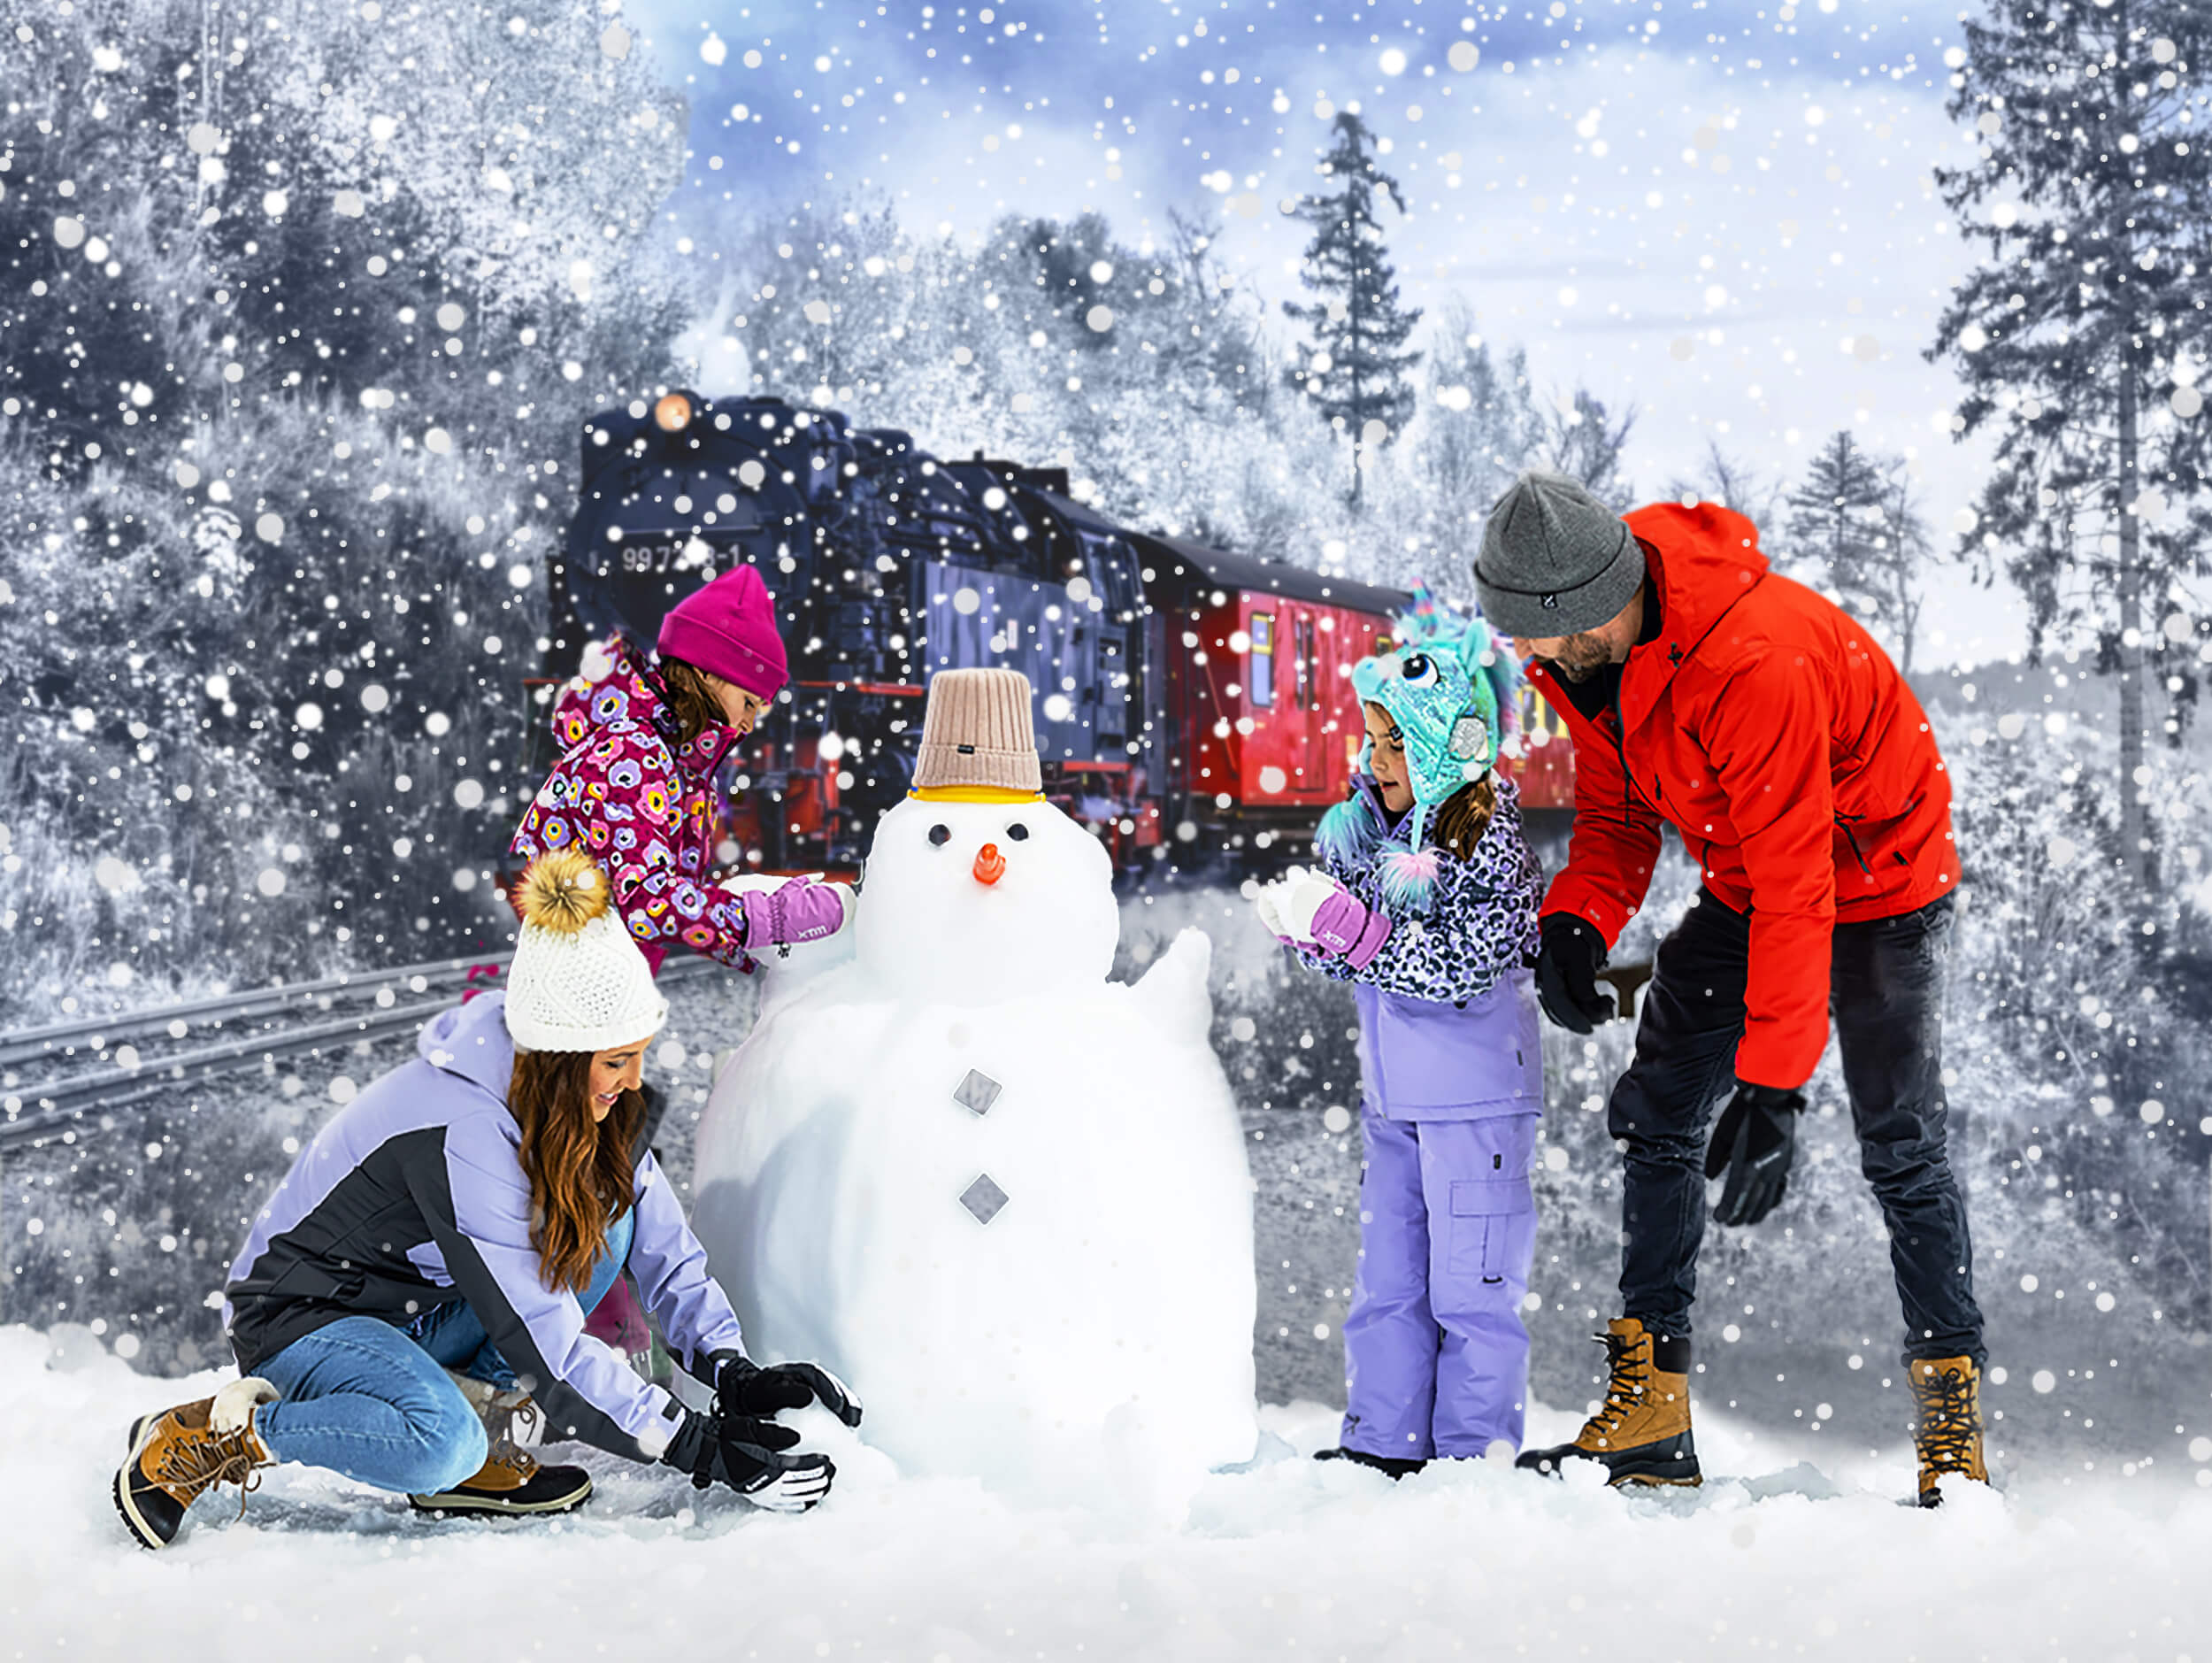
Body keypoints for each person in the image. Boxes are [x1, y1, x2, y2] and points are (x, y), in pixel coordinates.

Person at [1473, 469, 1986, 1505]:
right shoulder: (1586, 657)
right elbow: (1620, 814)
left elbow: (1805, 886)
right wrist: (1576, 918)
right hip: (1756, 873)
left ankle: (1952, 1440)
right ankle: (1650, 1414)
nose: (1549, 660)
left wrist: (1775, 1084)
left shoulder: (1754, 659)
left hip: (1876, 877)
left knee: (1900, 1142)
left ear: (1610, 594)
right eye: (1533, 641)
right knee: (1657, 1105)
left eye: (1564, 636)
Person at [113, 849, 861, 1551]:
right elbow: (549, 1349)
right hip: (309, 1317)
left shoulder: (584, 1105)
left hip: (418, 1312)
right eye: (615, 1060)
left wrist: (730, 1367)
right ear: (561, 1059)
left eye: (639, 1054)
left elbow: (664, 1248)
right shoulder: (465, 1126)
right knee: (439, 1440)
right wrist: (699, 1448)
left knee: (611, 1220)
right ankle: (217, 1434)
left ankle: (475, 1455)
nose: (632, 1080)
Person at [511, 563, 851, 1358]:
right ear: (708, 670)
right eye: (751, 692)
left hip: (598, 992)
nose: (760, 713)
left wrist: (743, 943)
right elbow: (650, 898)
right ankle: (576, 1351)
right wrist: (766, 920)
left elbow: (657, 891)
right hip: (575, 1002)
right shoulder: (634, 755)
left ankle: (595, 1342)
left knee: (600, 1165)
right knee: (587, 1173)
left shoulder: (670, 748)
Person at [1253, 596, 1544, 1476]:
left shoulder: (1488, 841)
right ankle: (1381, 1442)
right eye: (1371, 743)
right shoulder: (1383, 840)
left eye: (1395, 743)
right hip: (1396, 1105)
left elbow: (1454, 964)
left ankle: (1467, 1456)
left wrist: (1353, 931)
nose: (1377, 762)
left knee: (1472, 1292)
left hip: (1474, 1108)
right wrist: (1311, 930)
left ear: (1445, 742)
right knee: (1388, 1287)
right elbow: (1370, 963)